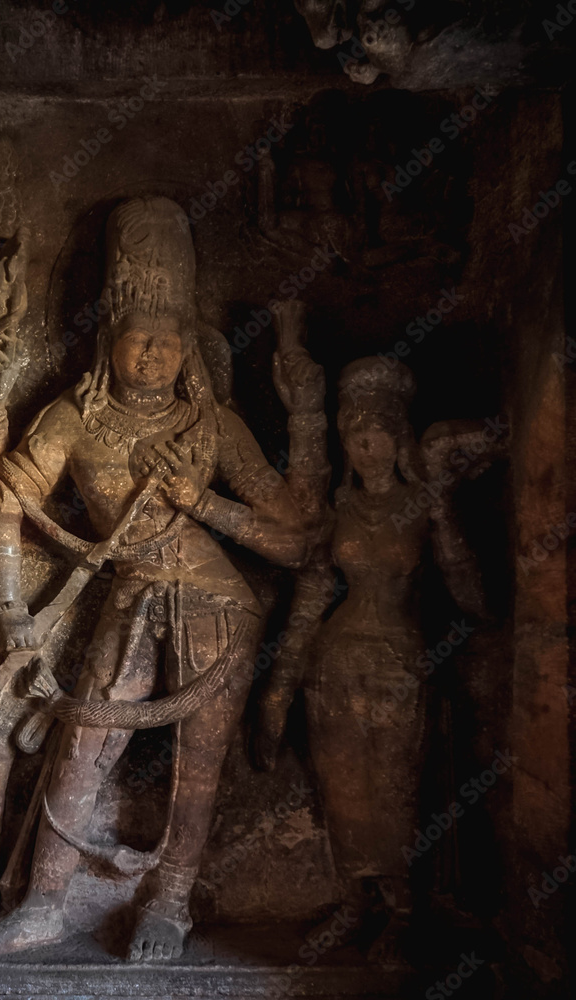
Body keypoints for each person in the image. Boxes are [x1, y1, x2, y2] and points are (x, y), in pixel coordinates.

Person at [0, 196, 325, 962]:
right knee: (80, 745)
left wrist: (206, 504)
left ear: (189, 347)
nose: (153, 355)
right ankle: (42, 903)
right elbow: (4, 499)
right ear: (109, 341)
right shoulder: (74, 417)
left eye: (168, 340)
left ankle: (170, 905)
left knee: (198, 766)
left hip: (217, 607)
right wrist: (8, 610)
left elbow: (293, 539)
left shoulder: (213, 427)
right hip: (129, 598)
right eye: (139, 338)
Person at [256, 357, 494, 963]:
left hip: (400, 663)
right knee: (341, 789)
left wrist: (443, 516)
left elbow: (473, 599)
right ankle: (354, 902)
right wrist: (280, 686)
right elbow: (309, 602)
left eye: (378, 431)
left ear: (399, 434)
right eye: (354, 433)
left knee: (395, 790)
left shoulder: (421, 504)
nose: (366, 445)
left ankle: (403, 907)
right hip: (334, 665)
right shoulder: (338, 512)